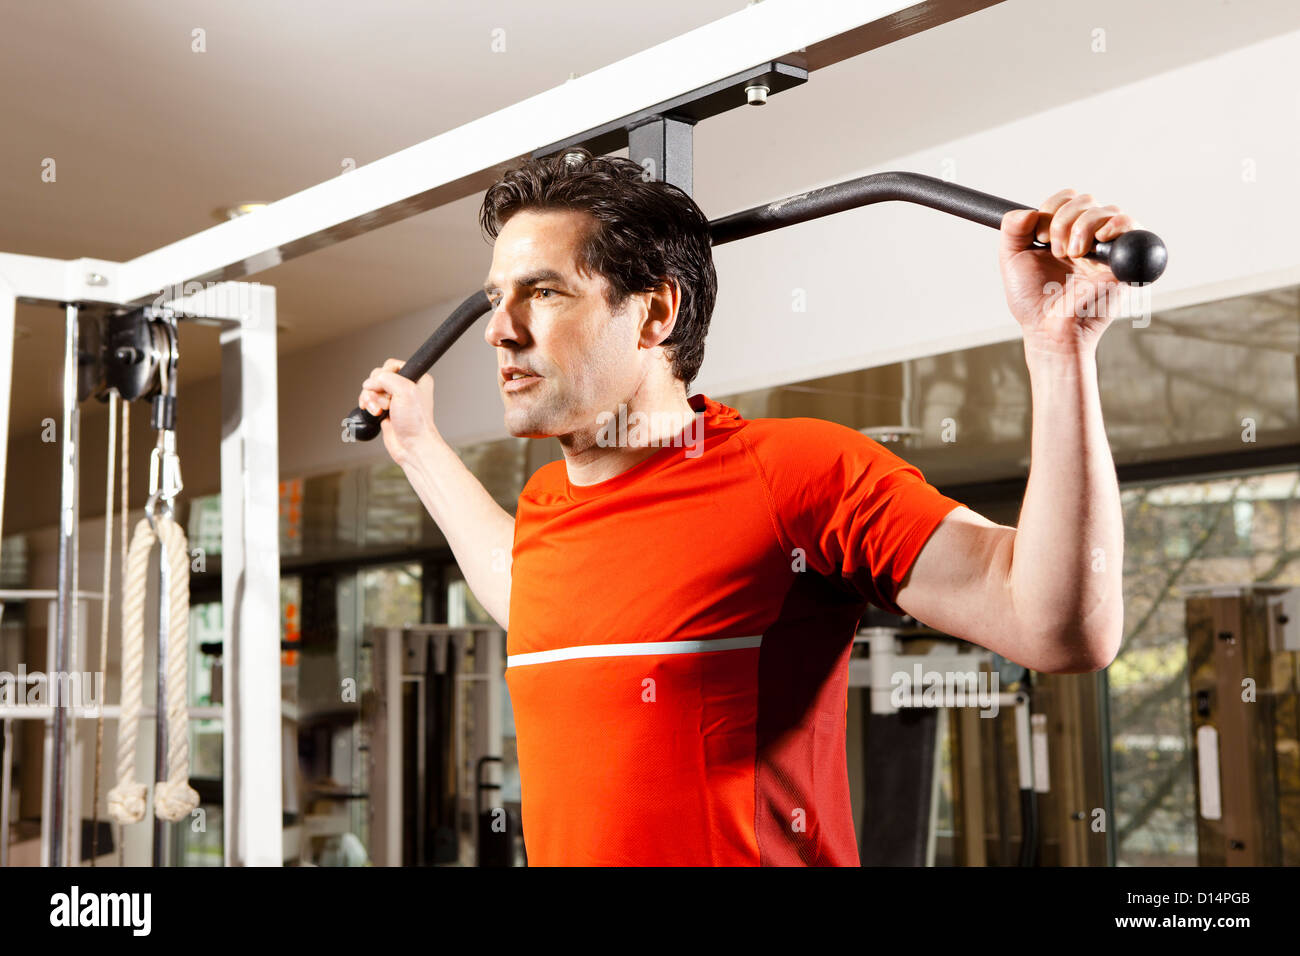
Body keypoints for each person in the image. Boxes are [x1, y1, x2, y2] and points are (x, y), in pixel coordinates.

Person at [356, 148, 1130, 866]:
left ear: (656, 316)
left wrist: (1058, 351)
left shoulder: (796, 471)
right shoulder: (550, 507)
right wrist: (419, 447)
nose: (498, 329)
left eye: (543, 292)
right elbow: (527, 593)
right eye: (496, 297)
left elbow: (1054, 626)